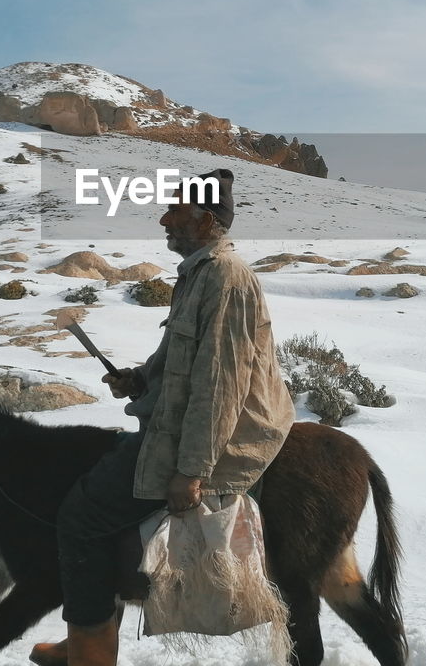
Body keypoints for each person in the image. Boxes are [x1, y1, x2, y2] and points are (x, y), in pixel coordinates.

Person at [31, 168, 297, 666]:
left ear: (209, 219)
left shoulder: (225, 278)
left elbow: (221, 386)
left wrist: (191, 471)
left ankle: (89, 651)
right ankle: (94, 633)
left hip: (224, 438)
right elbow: (181, 357)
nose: (164, 219)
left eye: (177, 210)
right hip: (178, 422)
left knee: (80, 518)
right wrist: (139, 378)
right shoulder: (199, 272)